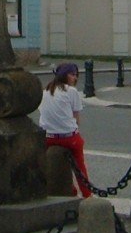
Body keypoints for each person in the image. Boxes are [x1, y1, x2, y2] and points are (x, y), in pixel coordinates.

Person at [37, 61, 92, 198]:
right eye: (72, 74)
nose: (75, 78)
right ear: (64, 75)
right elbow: (76, 117)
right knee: (80, 166)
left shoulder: (45, 92)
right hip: (68, 138)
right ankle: (87, 194)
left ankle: (68, 188)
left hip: (48, 138)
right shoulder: (71, 91)